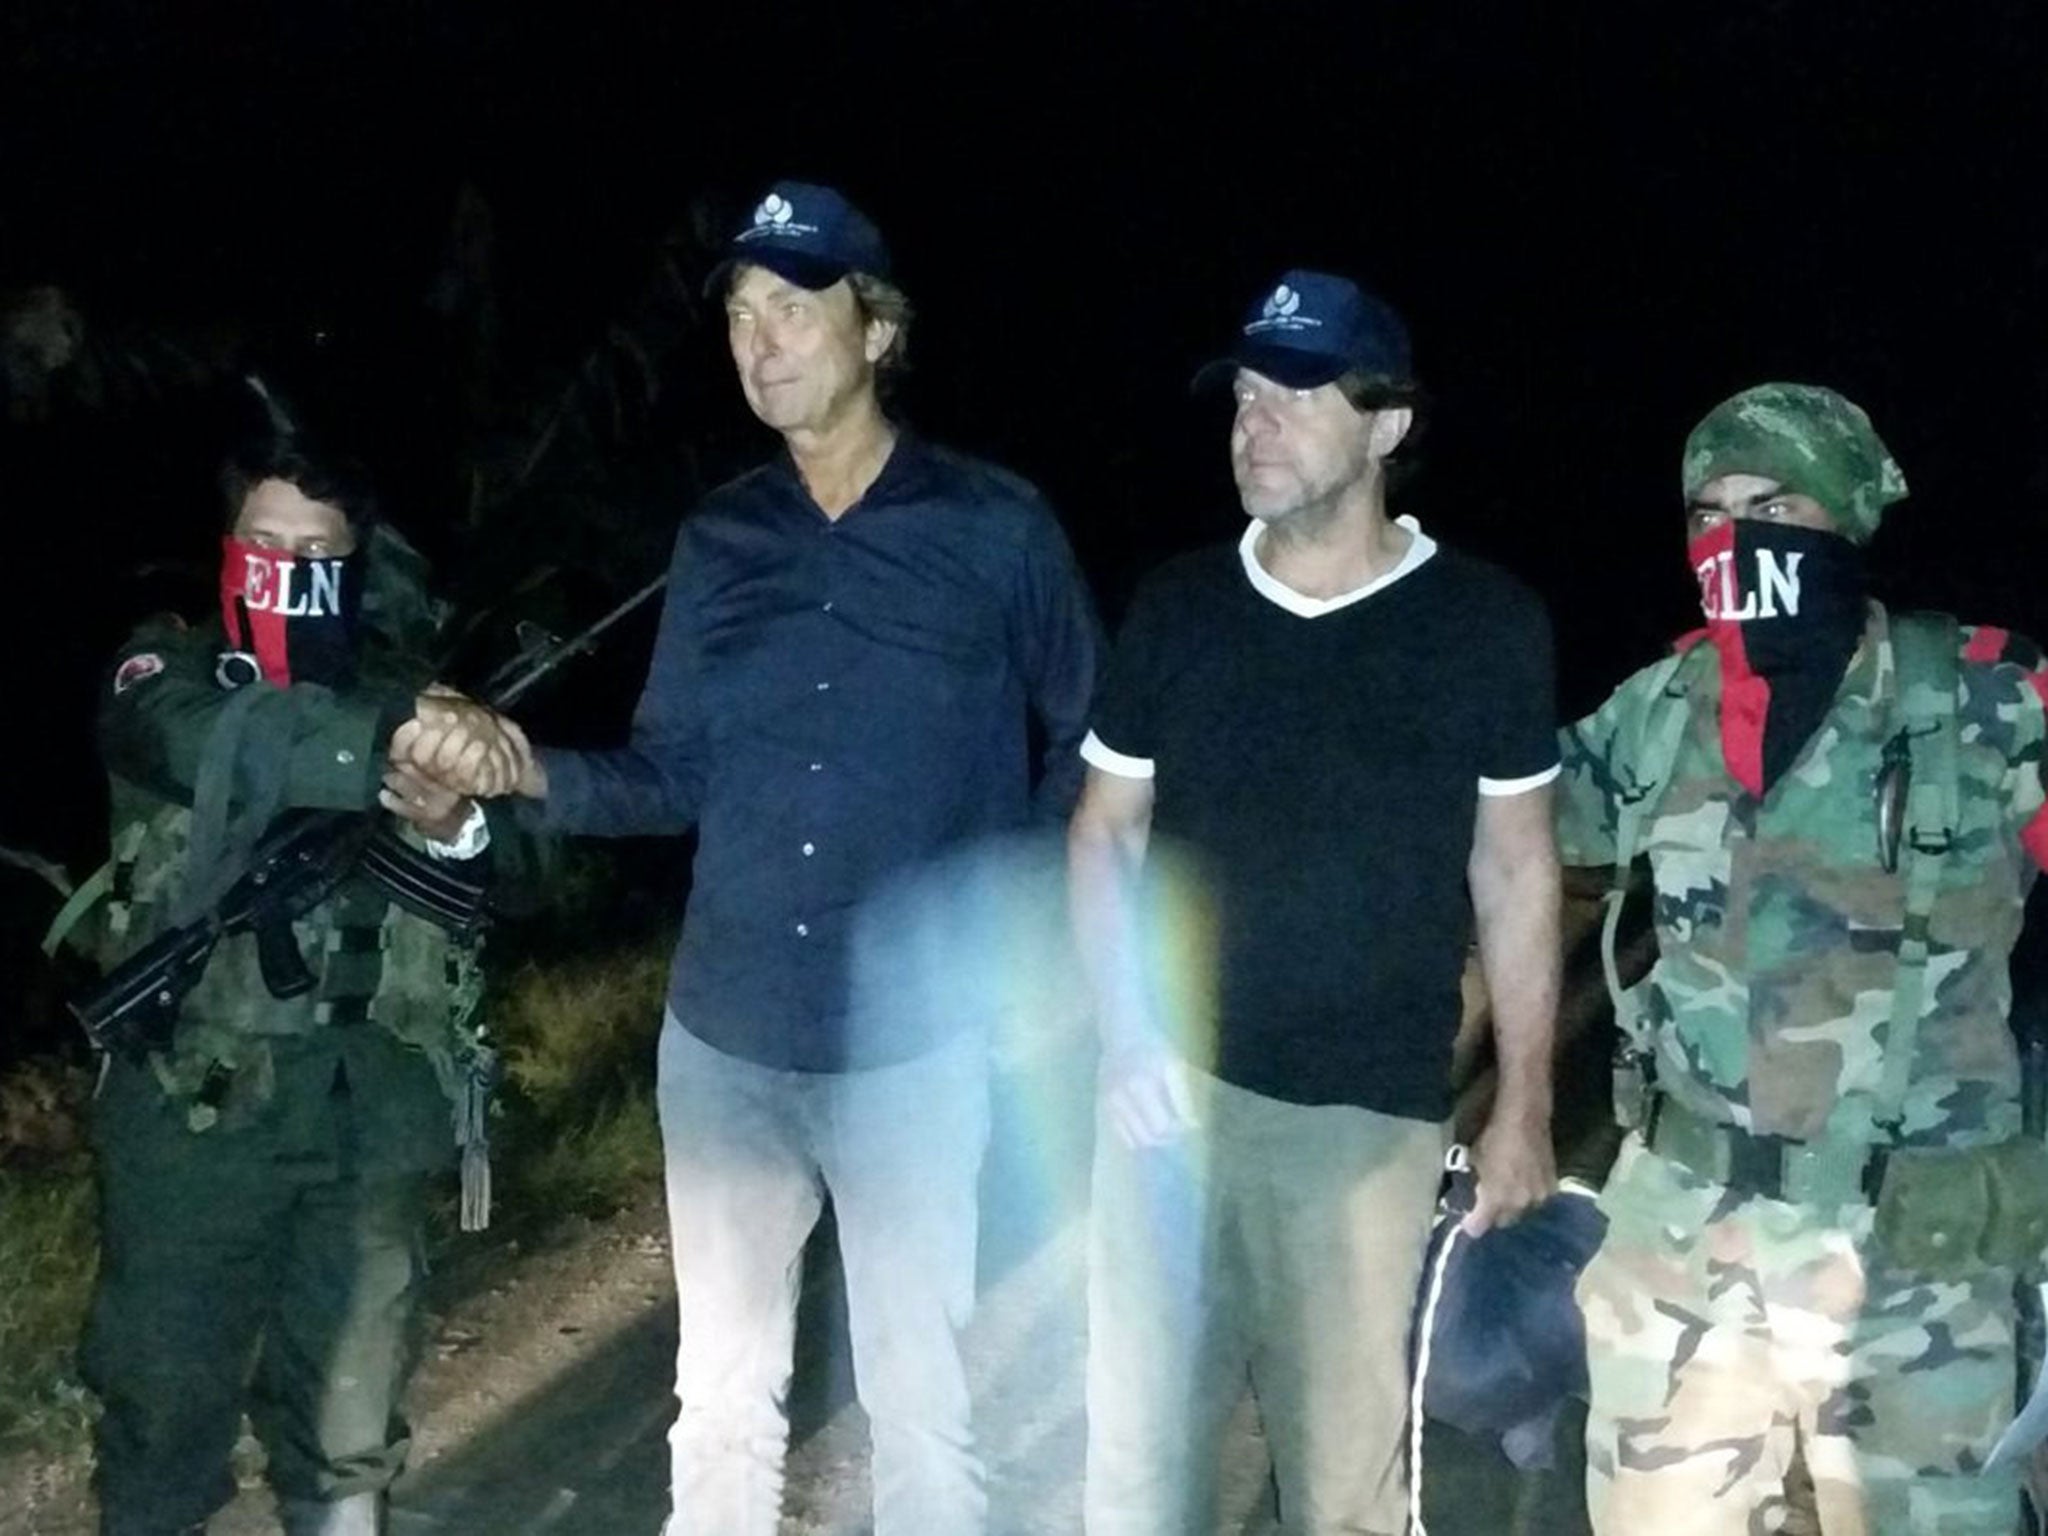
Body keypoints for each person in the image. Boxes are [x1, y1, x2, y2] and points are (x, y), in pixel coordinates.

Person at [407, 178, 1101, 1536]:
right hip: (726, 1039)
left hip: (913, 1053)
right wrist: (518, 764)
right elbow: (671, 775)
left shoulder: (997, 527)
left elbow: (1095, 742)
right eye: (739, 314)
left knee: (919, 1404)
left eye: (795, 307)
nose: (760, 339)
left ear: (878, 330)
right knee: (720, 1396)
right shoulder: (721, 540)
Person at [1067, 269, 1561, 1535]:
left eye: (1293, 396)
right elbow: (1102, 837)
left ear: (1386, 427)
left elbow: (1512, 872)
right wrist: (1121, 1038)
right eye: (1241, 396)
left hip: (1364, 1128)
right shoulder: (1178, 605)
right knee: (1133, 1477)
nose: (1254, 424)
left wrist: (1523, 1106)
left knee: (1340, 1490)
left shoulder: (1483, 625)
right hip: (1166, 1111)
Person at [1559, 382, 2048, 1534]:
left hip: (1913, 1266)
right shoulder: (1655, 708)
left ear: (1840, 516)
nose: (1732, 536)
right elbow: (1502, 821)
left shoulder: (1983, 700)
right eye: (1706, 510)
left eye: (1772, 502)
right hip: (1681, 1256)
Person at [77, 432, 524, 1536]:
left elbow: (528, 868)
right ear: (226, 550)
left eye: (313, 548)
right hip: (194, 1104)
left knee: (350, 1413)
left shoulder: (408, 699)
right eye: (262, 542)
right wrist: (392, 743)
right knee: (161, 1394)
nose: (284, 564)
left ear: (354, 564)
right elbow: (203, 743)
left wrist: (456, 818)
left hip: (369, 1103)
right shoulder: (163, 673)